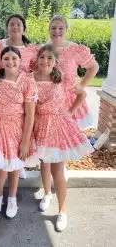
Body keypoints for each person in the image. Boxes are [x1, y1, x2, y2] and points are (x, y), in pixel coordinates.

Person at [38, 15, 99, 213]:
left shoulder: (74, 49)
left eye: (60, 28)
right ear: (49, 29)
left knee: (62, 153)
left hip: (67, 104)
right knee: (46, 157)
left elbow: (94, 67)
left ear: (66, 28)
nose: (56, 31)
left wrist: (81, 86)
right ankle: (48, 191)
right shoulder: (43, 50)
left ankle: (60, 191)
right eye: (53, 28)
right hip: (47, 108)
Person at [33, 44, 94, 231]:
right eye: (42, 57)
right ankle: (47, 193)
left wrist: (70, 111)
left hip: (59, 126)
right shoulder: (30, 79)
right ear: (37, 59)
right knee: (44, 163)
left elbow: (82, 93)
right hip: (40, 126)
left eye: (50, 58)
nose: (45, 61)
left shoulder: (62, 79)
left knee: (58, 169)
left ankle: (62, 210)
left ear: (55, 61)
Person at [0, 46, 37, 219]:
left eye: (14, 58)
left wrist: (25, 140)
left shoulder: (27, 81)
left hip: (16, 127)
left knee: (14, 167)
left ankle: (12, 198)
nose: (10, 62)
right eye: (6, 58)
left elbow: (30, 114)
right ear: (0, 61)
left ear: (20, 60)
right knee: (0, 167)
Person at [0, 13, 39, 179]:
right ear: (7, 27)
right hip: (2, 89)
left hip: (23, 92)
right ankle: (7, 162)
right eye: (11, 24)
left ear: (24, 28)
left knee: (23, 124)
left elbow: (36, 68)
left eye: (18, 24)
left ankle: (18, 163)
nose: (15, 27)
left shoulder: (32, 49)